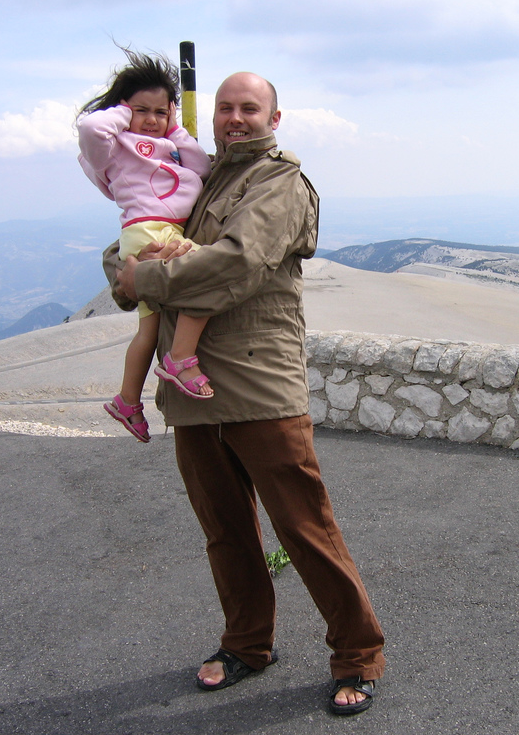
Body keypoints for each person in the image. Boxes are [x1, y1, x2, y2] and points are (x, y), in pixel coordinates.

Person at [104, 72, 385, 715]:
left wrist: (143, 277)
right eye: (225, 107)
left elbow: (235, 261)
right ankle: (247, 644)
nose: (234, 118)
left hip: (259, 383)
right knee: (225, 531)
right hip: (191, 387)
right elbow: (127, 244)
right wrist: (132, 271)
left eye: (248, 108)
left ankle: (358, 654)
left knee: (305, 527)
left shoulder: (282, 183)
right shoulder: (198, 176)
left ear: (274, 116)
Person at [77, 49, 214, 443]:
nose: (151, 121)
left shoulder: (169, 142)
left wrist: (175, 130)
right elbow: (90, 131)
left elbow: (201, 168)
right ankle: (180, 360)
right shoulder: (115, 145)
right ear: (122, 109)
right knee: (201, 278)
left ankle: (127, 400)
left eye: (160, 112)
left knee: (149, 330)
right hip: (150, 230)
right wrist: (123, 115)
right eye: (142, 110)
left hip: (153, 230)